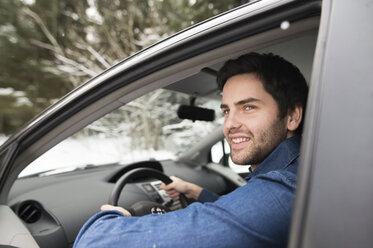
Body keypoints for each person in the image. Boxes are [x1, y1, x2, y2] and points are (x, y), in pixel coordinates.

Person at [73, 52, 308, 248]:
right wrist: (196, 191)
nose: (230, 124)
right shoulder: (297, 172)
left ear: (292, 116)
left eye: (248, 107)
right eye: (227, 111)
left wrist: (114, 219)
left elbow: (97, 243)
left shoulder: (286, 187)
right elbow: (243, 215)